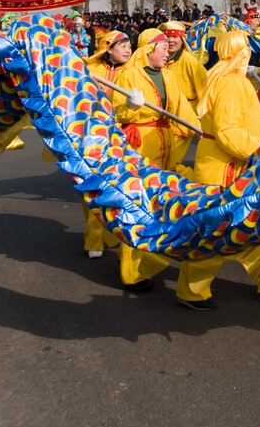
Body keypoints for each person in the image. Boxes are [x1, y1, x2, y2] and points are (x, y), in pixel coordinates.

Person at [175, 31, 260, 310]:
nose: (248, 51)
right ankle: (192, 291)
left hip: (225, 162)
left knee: (257, 225)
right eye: (245, 47)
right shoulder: (233, 82)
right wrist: (259, 152)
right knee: (216, 231)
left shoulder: (218, 75)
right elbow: (228, 130)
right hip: (227, 167)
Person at [111, 28, 199, 292]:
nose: (167, 52)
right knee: (139, 207)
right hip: (140, 145)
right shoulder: (129, 75)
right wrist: (132, 107)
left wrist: (202, 132)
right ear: (149, 48)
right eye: (163, 48)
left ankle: (146, 255)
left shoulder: (168, 76)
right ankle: (132, 273)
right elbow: (117, 112)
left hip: (165, 143)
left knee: (160, 205)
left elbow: (182, 108)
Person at [82, 30, 133, 258]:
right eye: (122, 45)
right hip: (94, 139)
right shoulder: (91, 71)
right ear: (108, 48)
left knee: (121, 191)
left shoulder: (134, 73)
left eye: (129, 45)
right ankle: (94, 239)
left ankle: (118, 236)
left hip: (124, 139)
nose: (128, 49)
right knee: (93, 191)